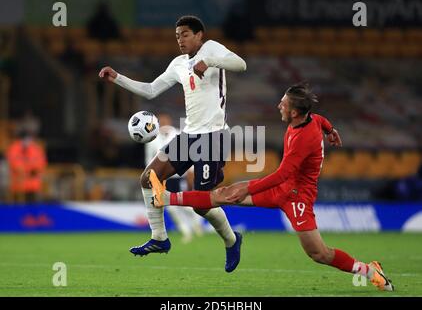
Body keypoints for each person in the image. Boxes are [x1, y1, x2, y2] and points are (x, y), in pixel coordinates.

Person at [149, 83, 394, 291]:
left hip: (298, 195)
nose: (279, 106)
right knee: (224, 194)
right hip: (283, 186)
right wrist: (332, 131)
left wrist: (249, 187)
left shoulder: (304, 138)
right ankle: (166, 197)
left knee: (318, 254)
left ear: (296, 112)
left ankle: (369, 270)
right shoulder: (309, 119)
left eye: (284, 104)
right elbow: (320, 119)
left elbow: (283, 174)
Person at [99, 15, 247, 272]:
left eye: (185, 34)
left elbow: (241, 64)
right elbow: (150, 90)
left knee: (202, 205)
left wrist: (208, 61)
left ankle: (232, 240)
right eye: (177, 35)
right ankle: (159, 238)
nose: (180, 39)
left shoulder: (211, 48)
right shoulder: (178, 64)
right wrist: (117, 78)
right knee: (148, 178)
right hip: (189, 136)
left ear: (199, 35)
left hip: (213, 136)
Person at [144, 113, 203, 243]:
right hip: (162, 179)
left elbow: (189, 155)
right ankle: (186, 231)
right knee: (171, 208)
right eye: (161, 121)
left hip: (178, 176)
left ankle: (197, 221)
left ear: (169, 120)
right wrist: (151, 177)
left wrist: (191, 173)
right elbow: (149, 160)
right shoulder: (152, 139)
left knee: (182, 204)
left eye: (166, 120)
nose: (164, 123)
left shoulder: (179, 135)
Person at [6, 129, 47, 203]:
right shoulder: (14, 148)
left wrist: (34, 170)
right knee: (18, 204)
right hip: (19, 182)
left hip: (34, 182)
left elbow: (41, 162)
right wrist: (26, 171)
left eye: (29, 138)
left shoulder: (35, 148)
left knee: (35, 201)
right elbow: (14, 163)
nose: (28, 141)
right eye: (25, 138)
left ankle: (34, 213)